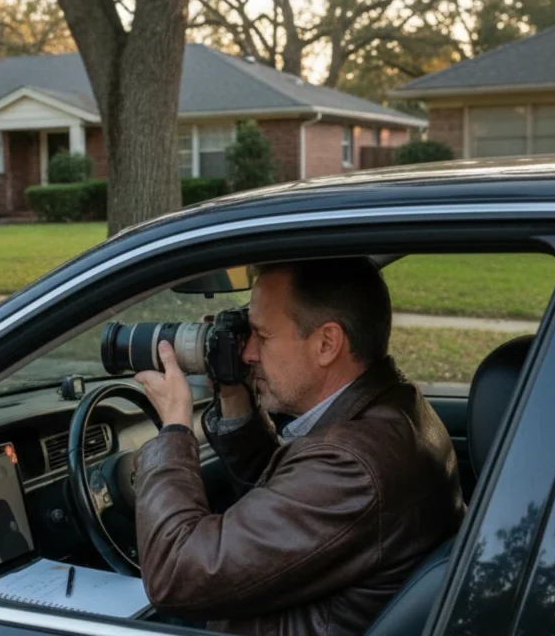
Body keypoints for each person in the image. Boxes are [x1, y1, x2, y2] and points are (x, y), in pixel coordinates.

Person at [132, 258, 465, 636]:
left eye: (263, 336)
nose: (248, 354)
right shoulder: (394, 406)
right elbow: (287, 503)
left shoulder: (352, 464)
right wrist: (234, 394)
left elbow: (175, 574)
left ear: (326, 343)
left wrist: (175, 427)